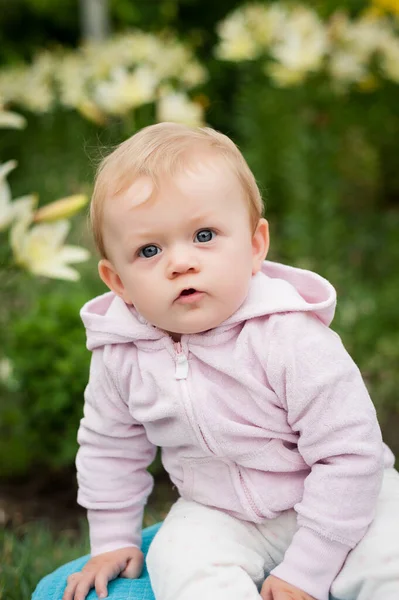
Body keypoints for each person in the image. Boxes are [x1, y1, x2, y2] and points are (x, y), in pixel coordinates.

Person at [63, 122, 398, 600]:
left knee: (389, 561)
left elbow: (350, 454)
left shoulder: (288, 336)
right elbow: (108, 446)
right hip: (221, 511)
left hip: (339, 501)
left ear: (255, 245)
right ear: (117, 281)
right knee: (177, 557)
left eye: (204, 235)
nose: (180, 262)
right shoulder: (121, 352)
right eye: (149, 250)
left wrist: (308, 569)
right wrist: (112, 539)